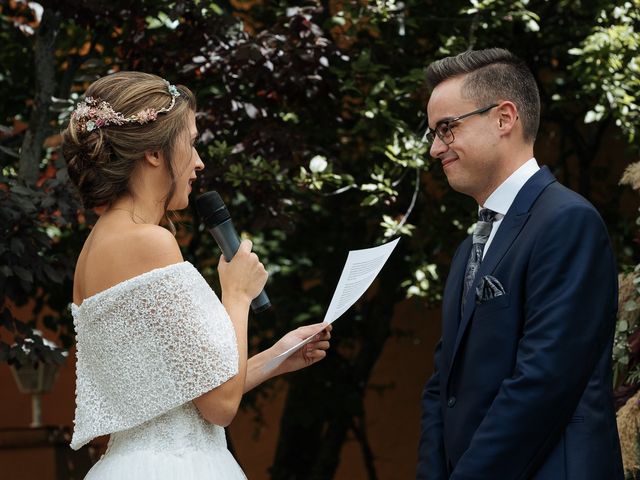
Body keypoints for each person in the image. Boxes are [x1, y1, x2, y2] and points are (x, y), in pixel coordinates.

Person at [62, 71, 332, 479]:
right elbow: (220, 406)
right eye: (190, 143)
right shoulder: (148, 242)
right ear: (154, 152)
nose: (199, 162)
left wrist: (276, 357)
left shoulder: (98, 245)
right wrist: (237, 295)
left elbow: (192, 395)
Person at [417, 48, 623, 479]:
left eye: (447, 128)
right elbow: (443, 387)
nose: (436, 148)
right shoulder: (467, 249)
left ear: (504, 118)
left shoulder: (568, 221)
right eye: (433, 133)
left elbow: (543, 382)